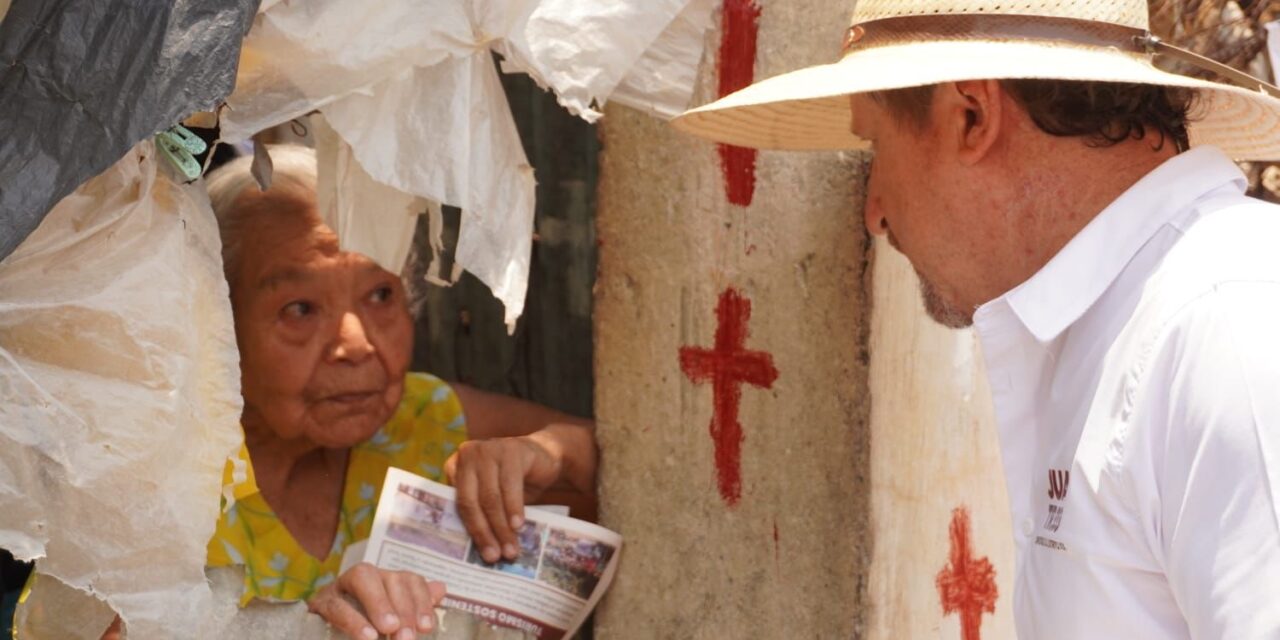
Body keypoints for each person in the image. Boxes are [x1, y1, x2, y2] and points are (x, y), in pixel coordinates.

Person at [674, 1, 1280, 638]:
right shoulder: (1142, 319)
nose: (873, 213)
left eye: (875, 146)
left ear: (972, 116)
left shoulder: (1230, 323)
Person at [199, 146, 597, 640]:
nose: (358, 344)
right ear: (217, 320)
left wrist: (560, 454)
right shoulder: (162, 483)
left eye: (381, 295)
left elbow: (668, 491)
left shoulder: (425, 420)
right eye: (300, 309)